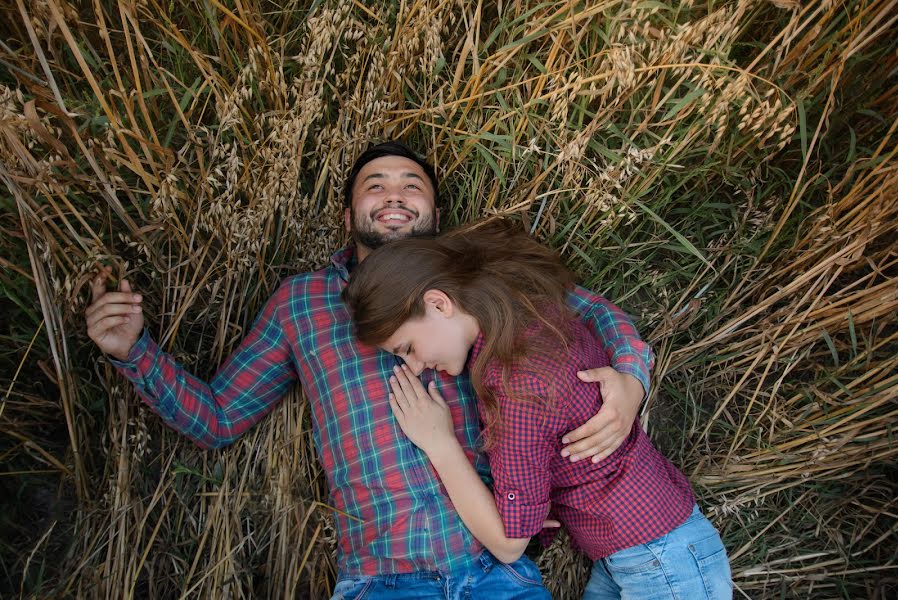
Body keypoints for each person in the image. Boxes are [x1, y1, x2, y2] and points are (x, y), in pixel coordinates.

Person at [85, 142, 656, 598]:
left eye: (413, 185)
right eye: (374, 184)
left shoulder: (475, 274)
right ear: (348, 213)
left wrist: (630, 380)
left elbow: (596, 316)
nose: (395, 195)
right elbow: (217, 419)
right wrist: (133, 352)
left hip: (498, 572)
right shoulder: (301, 303)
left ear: (434, 211)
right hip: (382, 580)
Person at [341, 219, 733, 600]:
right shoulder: (525, 308)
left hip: (660, 560)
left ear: (438, 303)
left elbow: (510, 545)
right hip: (644, 548)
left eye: (407, 348)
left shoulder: (517, 385)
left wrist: (438, 443)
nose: (414, 366)